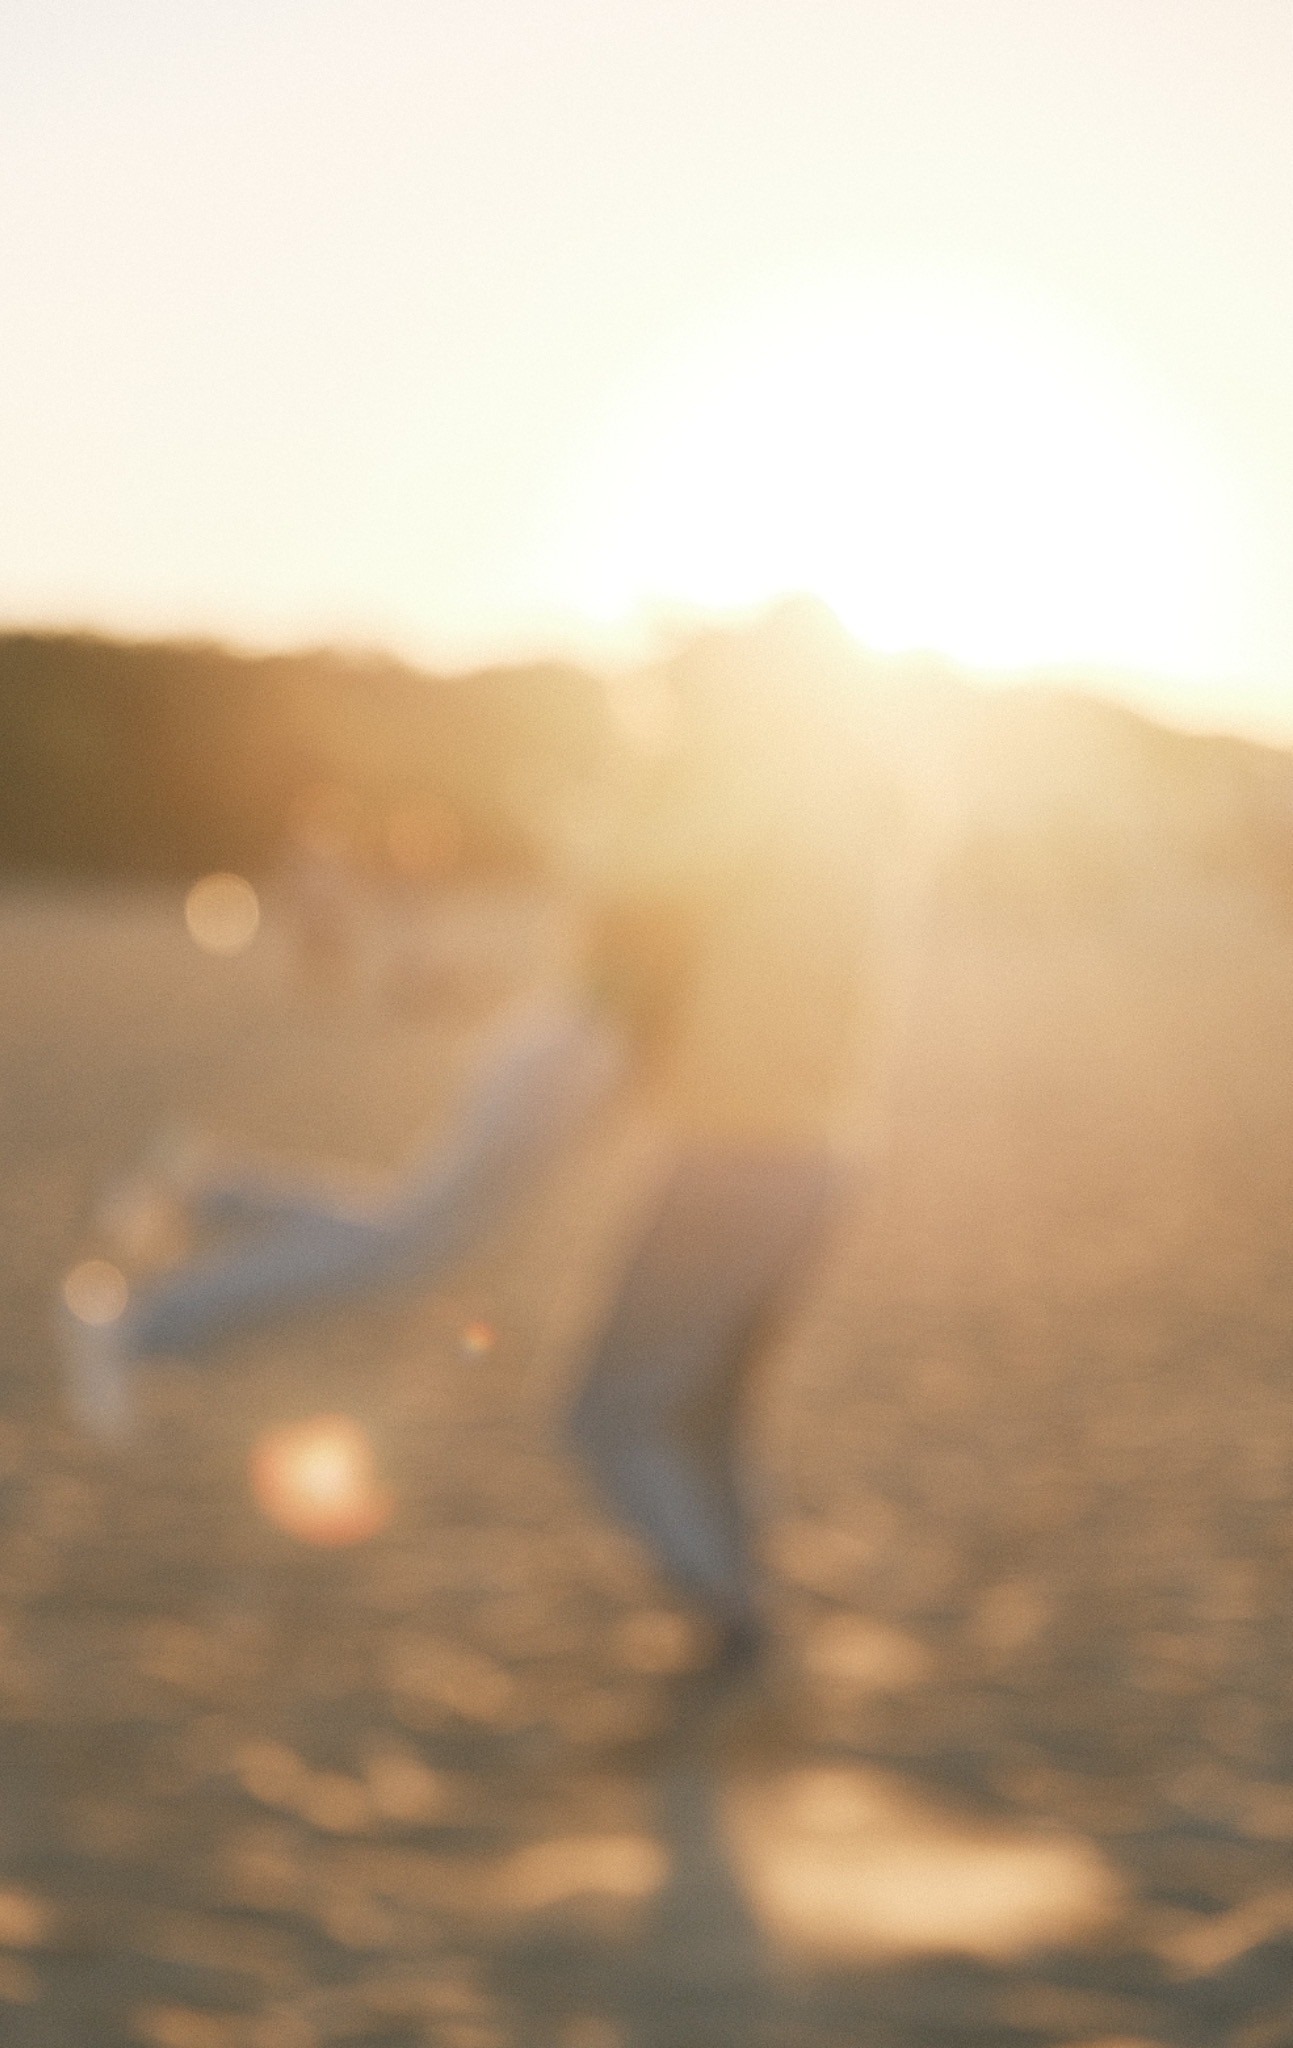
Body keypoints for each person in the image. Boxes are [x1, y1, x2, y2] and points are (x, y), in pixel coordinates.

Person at [58, 603, 919, 1674]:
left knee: (457, 1272)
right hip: (765, 1134)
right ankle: (737, 1612)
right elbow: (633, 895)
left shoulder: (755, 797)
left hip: (710, 1123)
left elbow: (628, 878)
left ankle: (736, 1612)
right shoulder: (817, 806)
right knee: (455, 1264)